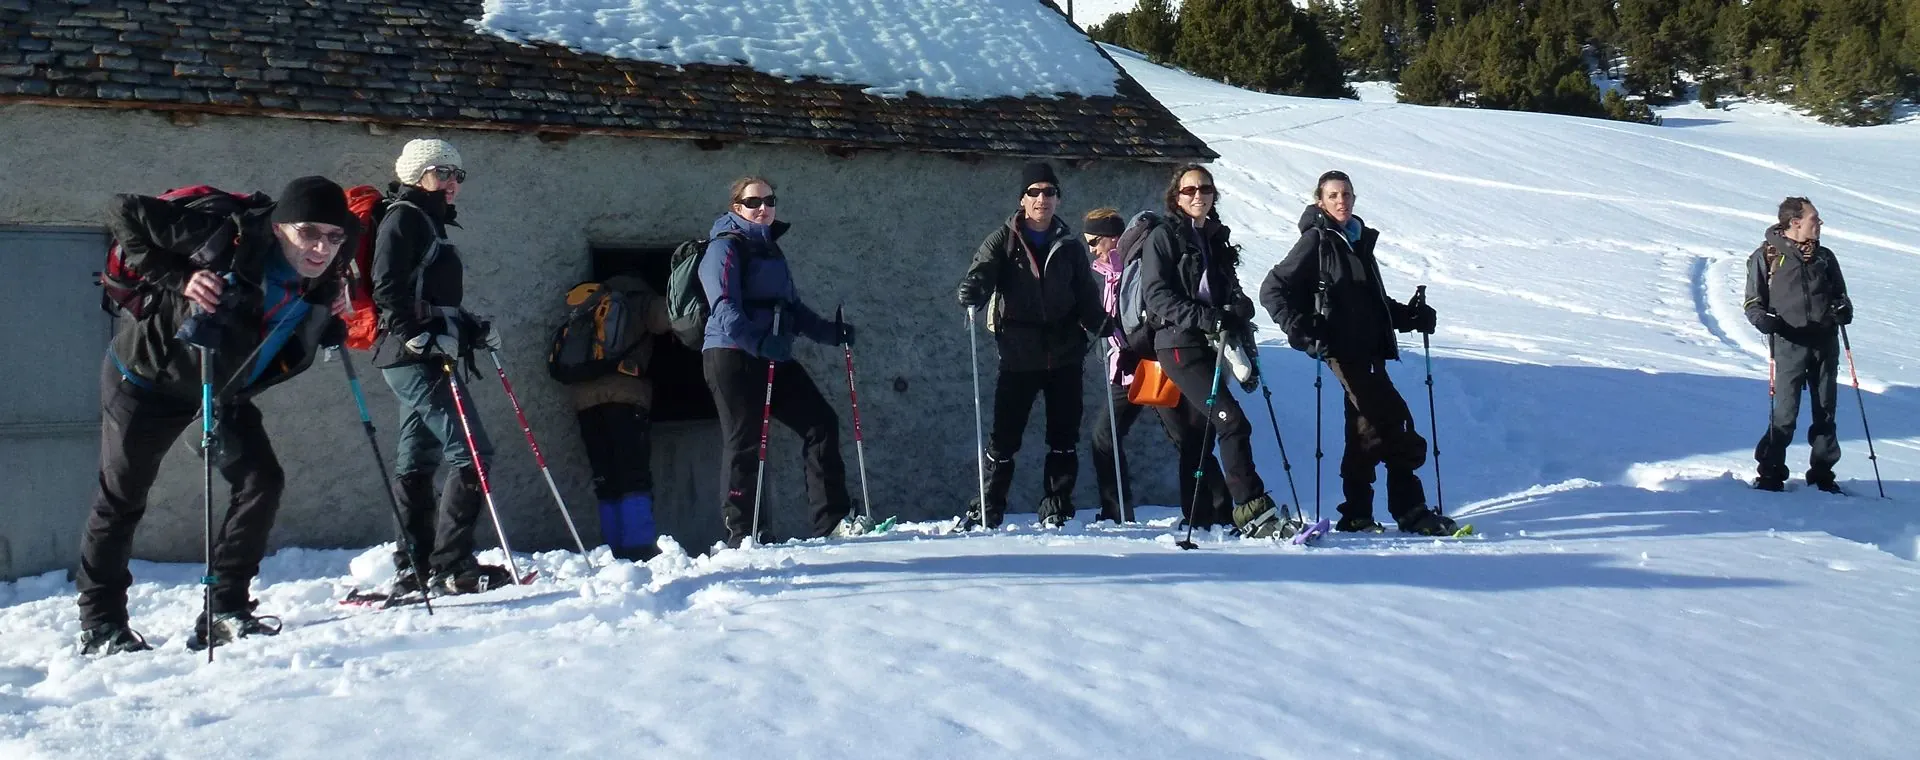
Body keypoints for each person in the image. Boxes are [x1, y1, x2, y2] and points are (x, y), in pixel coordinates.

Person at [78, 176, 353, 655]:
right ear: (280, 226)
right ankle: (100, 623)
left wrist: (328, 319)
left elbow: (282, 335)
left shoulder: (324, 279)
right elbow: (122, 207)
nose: (321, 246)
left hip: (222, 388)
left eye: (334, 236)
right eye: (308, 231)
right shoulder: (221, 238)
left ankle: (225, 609)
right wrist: (178, 276)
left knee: (262, 481)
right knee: (122, 498)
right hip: (147, 379)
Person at [1259, 170, 1455, 536]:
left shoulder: (1357, 240)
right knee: (1394, 421)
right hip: (1342, 351)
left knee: (1366, 432)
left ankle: (1358, 514)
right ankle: (1410, 510)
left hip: (1369, 352)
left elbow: (1369, 301)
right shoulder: (1316, 241)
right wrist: (1300, 330)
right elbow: (1273, 289)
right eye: (1333, 195)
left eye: (1346, 194)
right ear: (1320, 201)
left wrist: (1410, 317)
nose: (1341, 201)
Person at [369, 137, 511, 594]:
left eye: (458, 174)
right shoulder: (404, 218)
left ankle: (415, 566)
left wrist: (471, 328)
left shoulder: (429, 221)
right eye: (443, 172)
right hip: (414, 355)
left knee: (418, 457)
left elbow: (434, 300)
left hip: (417, 354)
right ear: (416, 176)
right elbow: (386, 286)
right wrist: (413, 333)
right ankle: (451, 563)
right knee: (472, 453)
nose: (453, 183)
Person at [698, 176, 863, 548]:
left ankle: (831, 520)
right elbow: (723, 308)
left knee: (820, 422)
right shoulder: (724, 248)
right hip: (732, 355)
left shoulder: (771, 249)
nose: (763, 207)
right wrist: (760, 343)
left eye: (769, 200)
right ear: (736, 208)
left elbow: (792, 310)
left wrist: (830, 333)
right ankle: (743, 533)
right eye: (753, 201)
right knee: (745, 439)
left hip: (772, 352)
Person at [954, 162, 1105, 529]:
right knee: (1004, 436)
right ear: (1022, 199)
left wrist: (1099, 321)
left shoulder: (1069, 245)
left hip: (1066, 349)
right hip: (1019, 352)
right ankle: (989, 505)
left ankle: (1056, 505)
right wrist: (973, 289)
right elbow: (983, 271)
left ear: (1057, 198)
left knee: (1064, 435)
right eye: (1034, 192)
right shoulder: (1002, 240)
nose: (1042, 199)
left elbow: (1084, 293)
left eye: (1049, 192)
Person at [1137, 164, 1283, 537]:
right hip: (1178, 344)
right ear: (1176, 197)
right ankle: (1251, 509)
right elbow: (1157, 297)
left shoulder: (1214, 237)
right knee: (1231, 420)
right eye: (1189, 190)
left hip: (1213, 345)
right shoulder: (1163, 237)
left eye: (1205, 188)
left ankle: (1203, 515)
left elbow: (1228, 289)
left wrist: (1238, 307)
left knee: (1198, 434)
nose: (1198, 195)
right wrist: (1207, 318)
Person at [1084, 208, 1194, 524]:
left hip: (1151, 365)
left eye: (1095, 241)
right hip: (1127, 370)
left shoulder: (1135, 265)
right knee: (1105, 437)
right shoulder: (1110, 272)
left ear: (1113, 237)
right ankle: (1117, 510)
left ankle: (1210, 508)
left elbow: (1147, 313)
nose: (1091, 249)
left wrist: (1130, 346)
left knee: (1185, 438)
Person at [1744, 196, 1852, 494]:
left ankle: (1822, 474)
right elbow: (1753, 301)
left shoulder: (1825, 257)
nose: (1819, 224)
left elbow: (1842, 297)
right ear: (1795, 222)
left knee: (1825, 412)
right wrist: (1762, 320)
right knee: (1785, 414)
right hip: (1789, 345)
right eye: (1814, 219)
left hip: (1824, 344)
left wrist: (1843, 311)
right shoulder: (1765, 256)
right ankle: (1770, 473)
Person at [564, 274, 672, 561]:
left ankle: (613, 548)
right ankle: (640, 546)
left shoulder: (588, 304)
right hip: (626, 397)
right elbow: (669, 319)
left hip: (584, 400)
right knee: (632, 474)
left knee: (605, 477)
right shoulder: (639, 301)